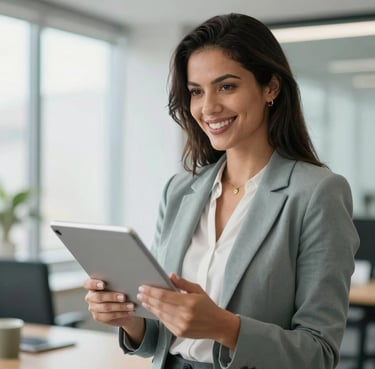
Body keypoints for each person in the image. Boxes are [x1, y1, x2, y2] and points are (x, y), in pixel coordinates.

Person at [84, 13, 359, 369]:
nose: (208, 107)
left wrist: (226, 327)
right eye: (196, 91)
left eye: (226, 86)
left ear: (270, 87)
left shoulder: (317, 193)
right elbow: (160, 338)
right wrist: (130, 321)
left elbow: (319, 354)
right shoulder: (180, 190)